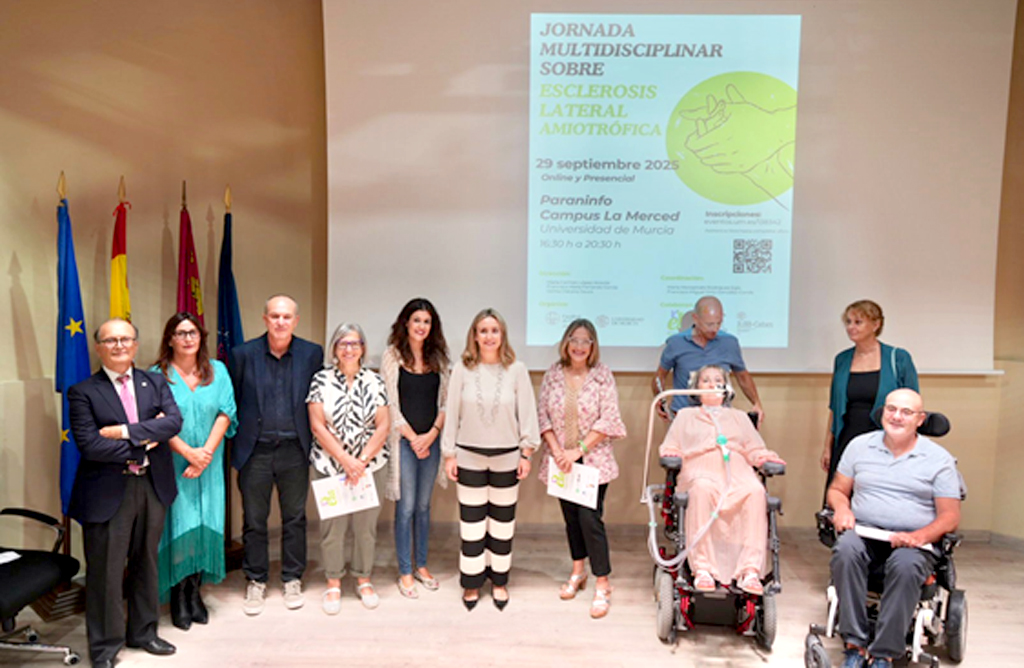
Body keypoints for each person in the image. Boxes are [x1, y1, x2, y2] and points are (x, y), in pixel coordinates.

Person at [67, 319, 183, 668]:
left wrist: (123, 432)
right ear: (99, 346)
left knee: (146, 561)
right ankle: (104, 648)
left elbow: (173, 422)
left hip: (152, 486)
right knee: (106, 570)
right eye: (111, 340)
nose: (119, 346)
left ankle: (144, 632)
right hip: (107, 492)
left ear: (136, 344)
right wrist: (143, 444)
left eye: (126, 339)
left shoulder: (156, 381)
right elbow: (90, 445)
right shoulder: (82, 391)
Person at [827, 389, 961, 668]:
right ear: (882, 413)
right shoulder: (859, 446)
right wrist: (842, 509)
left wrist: (918, 536)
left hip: (914, 543)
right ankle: (854, 644)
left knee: (905, 565)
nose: (896, 417)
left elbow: (950, 517)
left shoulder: (939, 459)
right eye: (891, 409)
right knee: (845, 549)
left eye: (906, 412)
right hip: (866, 533)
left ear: (920, 420)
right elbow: (838, 489)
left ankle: (884, 654)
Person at [230, 295, 323, 616]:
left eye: (286, 317)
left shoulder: (312, 354)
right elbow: (235, 401)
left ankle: (291, 577)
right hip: (254, 450)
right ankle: (256, 579)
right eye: (274, 316)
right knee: (254, 520)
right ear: (265, 319)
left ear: (296, 320)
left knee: (294, 518)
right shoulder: (242, 354)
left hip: (294, 449)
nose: (280, 322)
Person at [442, 308, 540, 611]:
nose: (488, 336)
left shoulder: (517, 369)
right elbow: (451, 413)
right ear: (474, 335)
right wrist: (449, 455)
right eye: (483, 330)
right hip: (468, 455)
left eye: (494, 330)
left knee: (501, 525)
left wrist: (526, 452)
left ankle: (499, 581)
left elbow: (527, 413)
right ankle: (471, 584)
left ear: (503, 335)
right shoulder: (462, 368)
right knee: (471, 526)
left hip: (507, 457)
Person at [658, 364, 784, 596]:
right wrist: (672, 454)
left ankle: (750, 570)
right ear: (695, 389)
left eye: (718, 379)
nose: (712, 383)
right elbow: (671, 446)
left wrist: (765, 458)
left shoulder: (740, 417)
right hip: (700, 470)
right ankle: (704, 568)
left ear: (727, 387)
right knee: (702, 490)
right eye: (705, 380)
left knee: (755, 492)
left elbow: (754, 448)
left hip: (737, 471)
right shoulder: (686, 416)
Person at [151, 312, 237, 630]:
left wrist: (205, 455)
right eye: (181, 332)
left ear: (201, 337)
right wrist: (188, 453)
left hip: (209, 463)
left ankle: (194, 592)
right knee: (180, 525)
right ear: (170, 338)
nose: (188, 338)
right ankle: (177, 595)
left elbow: (226, 412)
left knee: (205, 523)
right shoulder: (156, 375)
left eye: (194, 332)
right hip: (173, 463)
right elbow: (155, 422)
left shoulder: (219, 371)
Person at [537, 318, 626, 619]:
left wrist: (579, 450)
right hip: (560, 459)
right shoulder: (552, 374)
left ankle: (603, 582)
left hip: (593, 461)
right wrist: (559, 452)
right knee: (571, 519)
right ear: (566, 342)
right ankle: (578, 571)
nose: (579, 346)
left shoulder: (602, 375)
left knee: (590, 519)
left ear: (593, 346)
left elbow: (609, 418)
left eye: (585, 341)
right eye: (574, 339)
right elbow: (543, 417)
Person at [307, 323, 390, 613]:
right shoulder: (320, 379)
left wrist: (361, 461)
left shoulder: (375, 381)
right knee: (333, 528)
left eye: (354, 343)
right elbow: (317, 424)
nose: (349, 348)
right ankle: (333, 582)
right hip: (329, 465)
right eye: (342, 343)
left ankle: (363, 578)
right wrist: (346, 460)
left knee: (365, 527)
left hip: (370, 466)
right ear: (334, 348)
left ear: (363, 348)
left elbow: (384, 425)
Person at [380, 298, 450, 598]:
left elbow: (446, 403)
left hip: (431, 443)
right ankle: (405, 570)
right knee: (406, 507)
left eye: (427, 321)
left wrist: (432, 434)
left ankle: (422, 565)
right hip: (404, 444)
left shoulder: (440, 360)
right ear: (405, 323)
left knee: (423, 507)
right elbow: (389, 404)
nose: (421, 326)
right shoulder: (392, 356)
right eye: (417, 320)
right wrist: (413, 438)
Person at [821, 300, 918, 492]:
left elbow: (913, 404)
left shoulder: (897, 358)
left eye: (858, 322)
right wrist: (827, 446)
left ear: (876, 325)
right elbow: (834, 407)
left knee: (875, 493)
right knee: (840, 494)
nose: (851, 327)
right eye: (848, 322)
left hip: (884, 439)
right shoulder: (842, 359)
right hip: (847, 436)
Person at [652, 295, 764, 424]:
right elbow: (659, 376)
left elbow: (743, 376)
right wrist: (660, 401)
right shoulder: (676, 342)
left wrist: (756, 403)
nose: (715, 329)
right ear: (696, 319)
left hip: (720, 415)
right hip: (683, 415)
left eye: (719, 323)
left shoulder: (729, 342)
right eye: (709, 324)